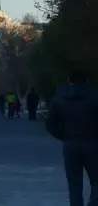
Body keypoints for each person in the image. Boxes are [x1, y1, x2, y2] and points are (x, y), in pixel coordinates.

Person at [46, 70, 98, 206]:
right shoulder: (94, 97)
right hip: (93, 144)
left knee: (74, 184)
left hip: (70, 145)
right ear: (87, 81)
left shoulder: (59, 98)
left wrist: (64, 136)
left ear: (69, 81)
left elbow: (50, 124)